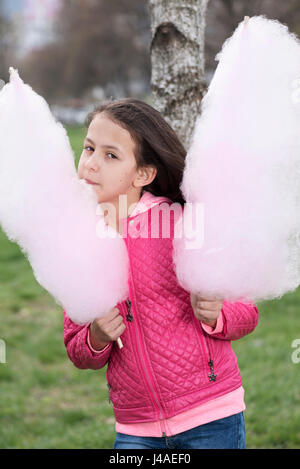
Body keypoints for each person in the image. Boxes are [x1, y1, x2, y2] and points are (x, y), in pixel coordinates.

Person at [63, 98, 259, 449]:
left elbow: (247, 312)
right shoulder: (79, 242)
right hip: (135, 429)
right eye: (89, 148)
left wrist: (218, 314)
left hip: (210, 416)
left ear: (144, 174)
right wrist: (96, 336)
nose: (91, 164)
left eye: (110, 155)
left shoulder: (182, 224)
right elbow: (76, 349)